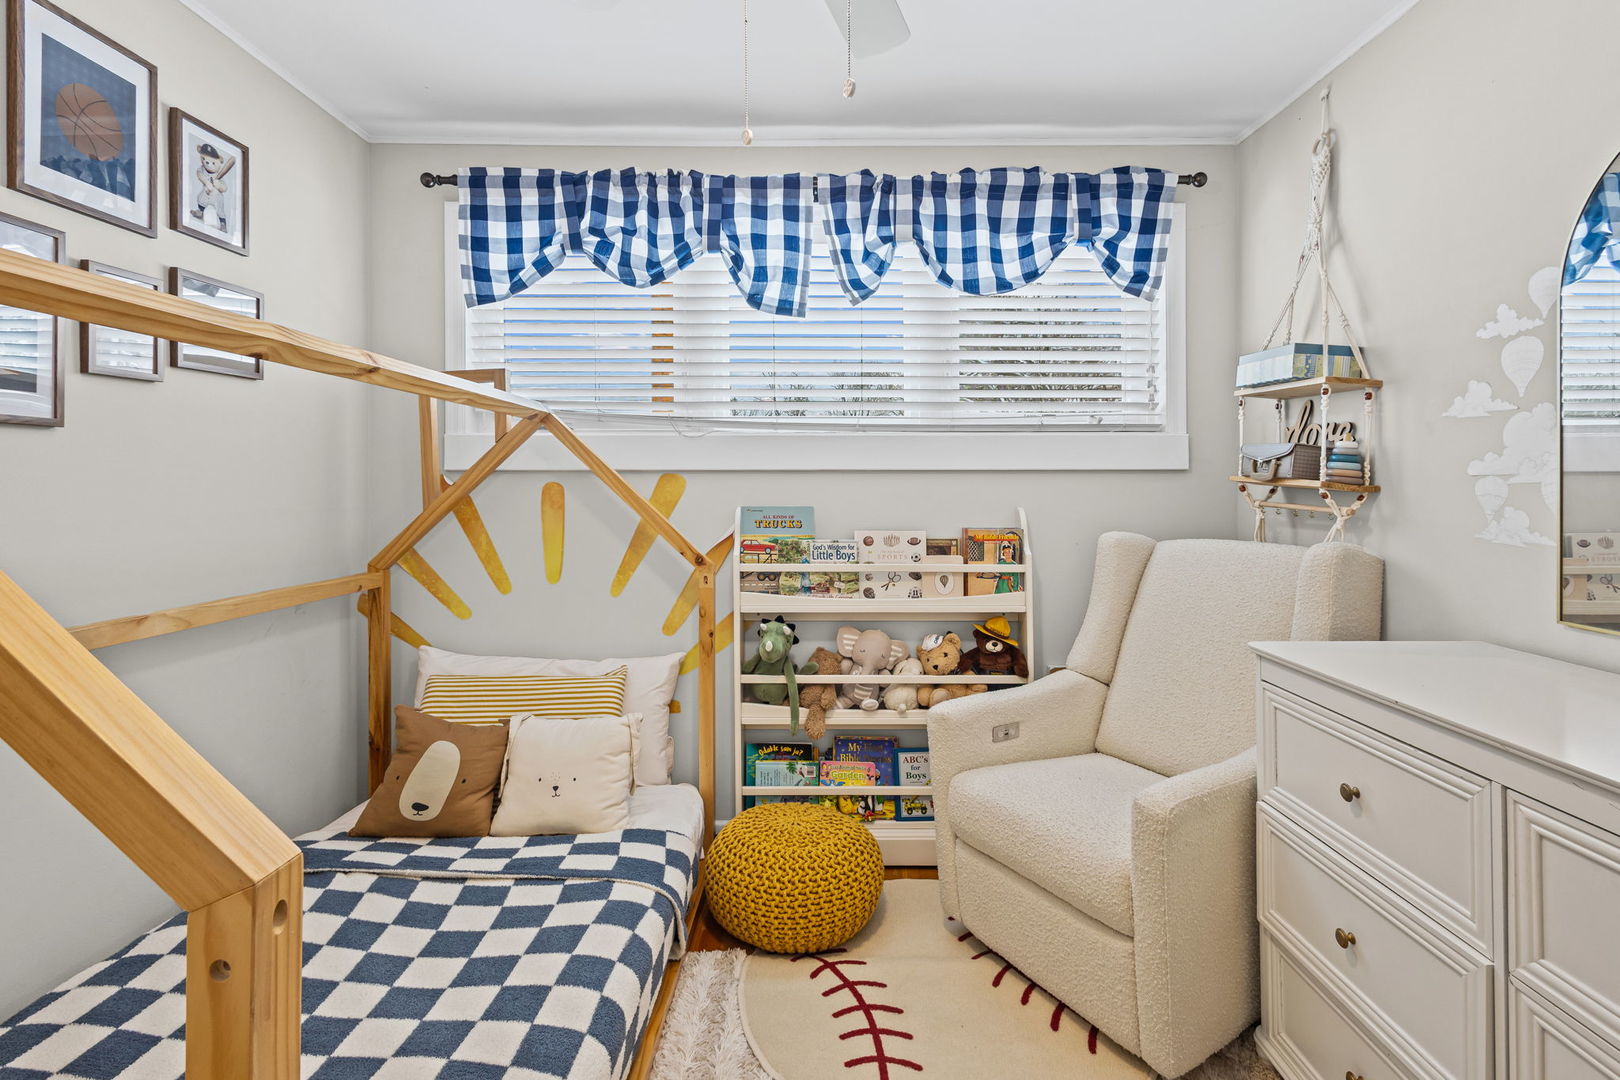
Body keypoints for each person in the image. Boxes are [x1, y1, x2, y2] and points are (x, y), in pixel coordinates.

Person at [190, 142, 236, 232]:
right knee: (201, 199)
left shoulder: (218, 175)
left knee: (220, 210)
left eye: (212, 162)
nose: (207, 163)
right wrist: (207, 182)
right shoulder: (202, 169)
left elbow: (224, 188)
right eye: (204, 159)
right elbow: (199, 174)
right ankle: (200, 212)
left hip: (216, 197)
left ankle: (223, 224)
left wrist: (218, 185)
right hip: (206, 191)